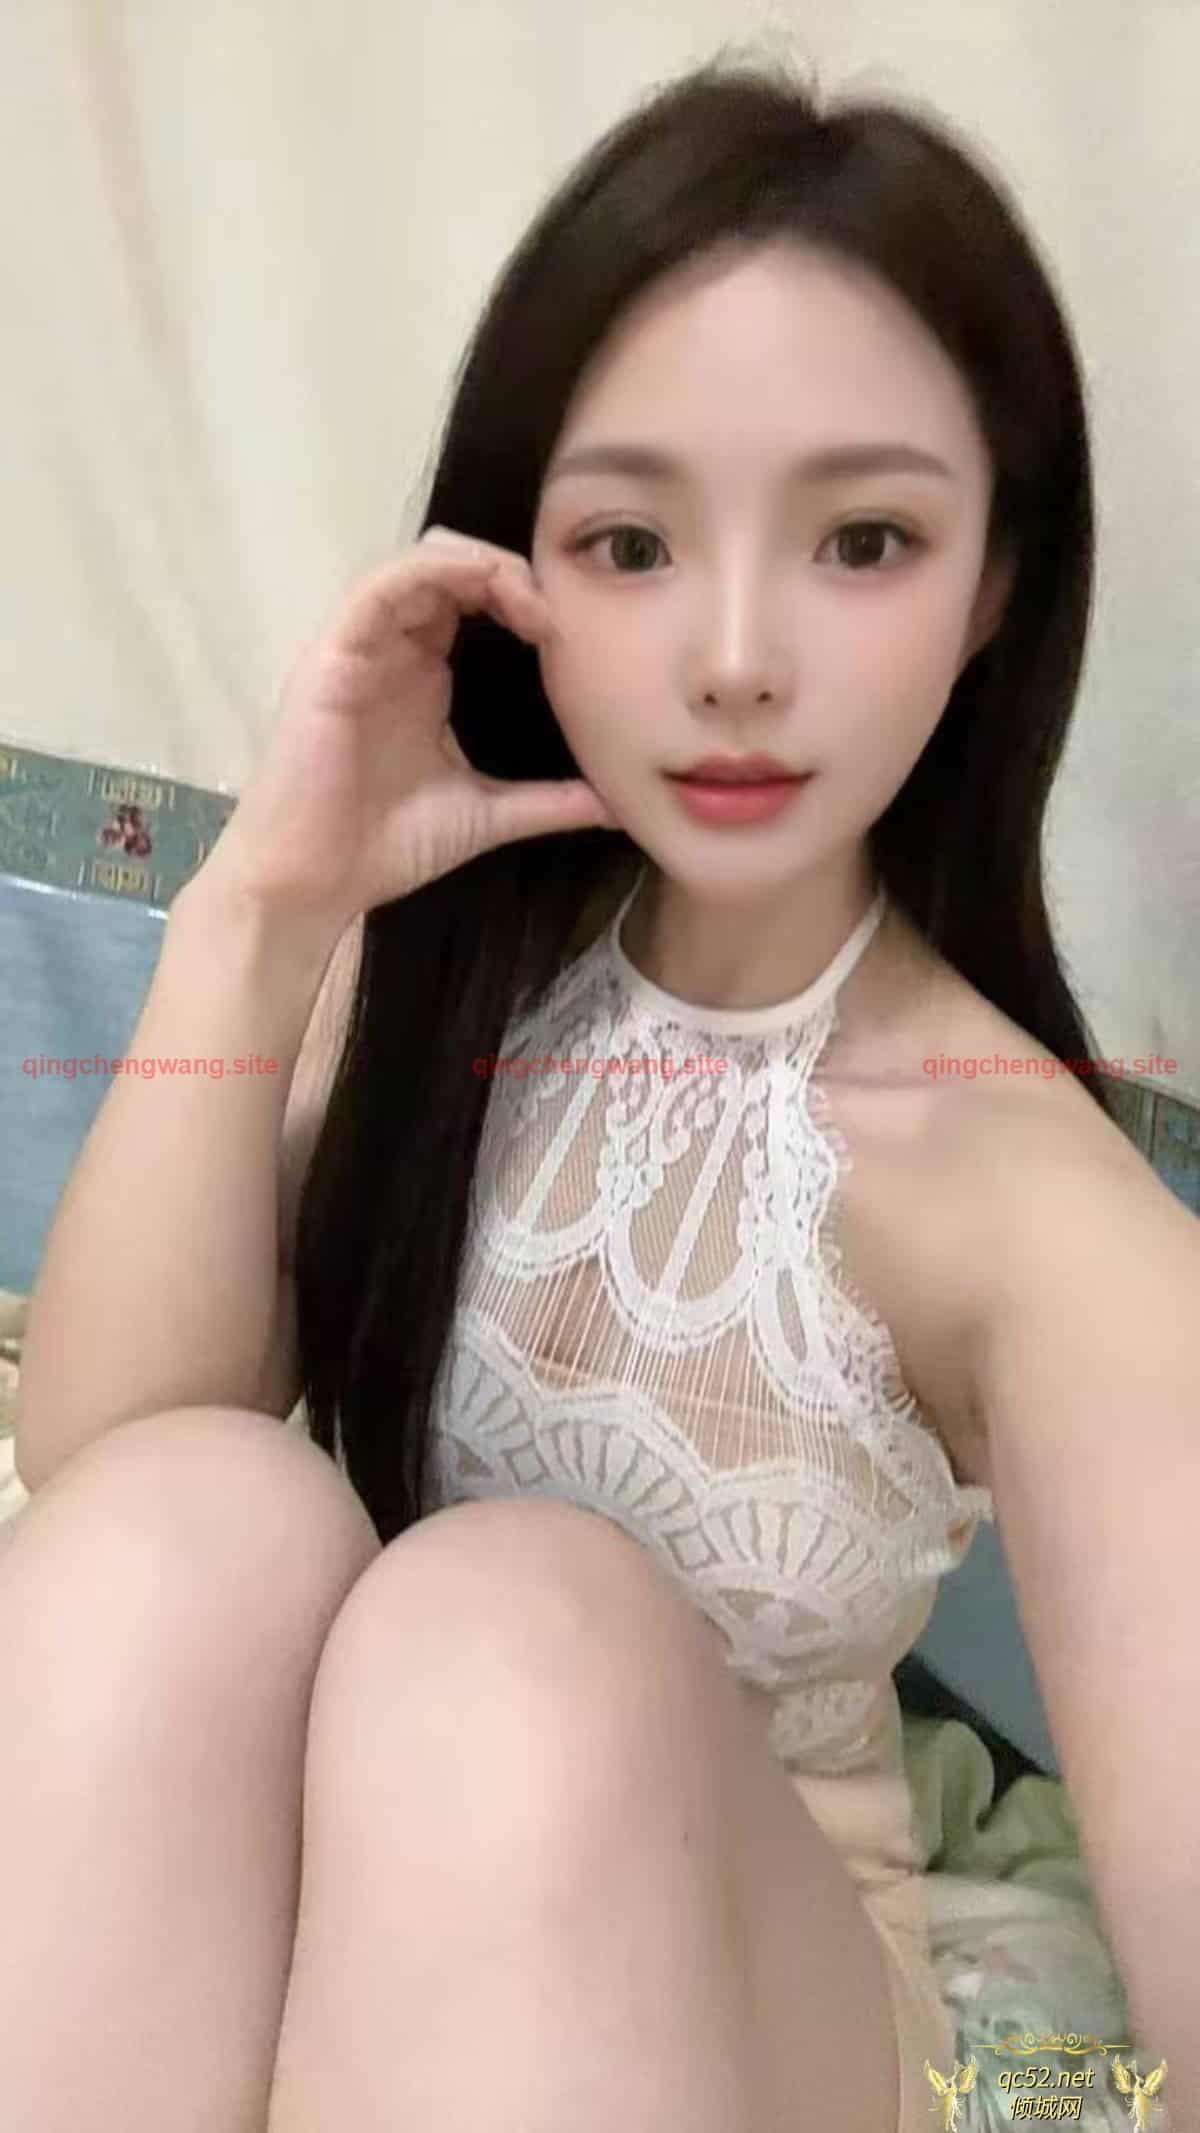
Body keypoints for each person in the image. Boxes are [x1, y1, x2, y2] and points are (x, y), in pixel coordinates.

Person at [6, 48, 1197, 2133]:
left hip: (748, 1987)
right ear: (516, 577)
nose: (736, 655)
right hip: (321, 1873)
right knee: (206, 1516)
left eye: (863, 540)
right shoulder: (451, 948)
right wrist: (261, 907)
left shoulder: (1022, 1190)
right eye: (634, 542)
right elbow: (102, 1472)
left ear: (997, 585)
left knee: (500, 1623)